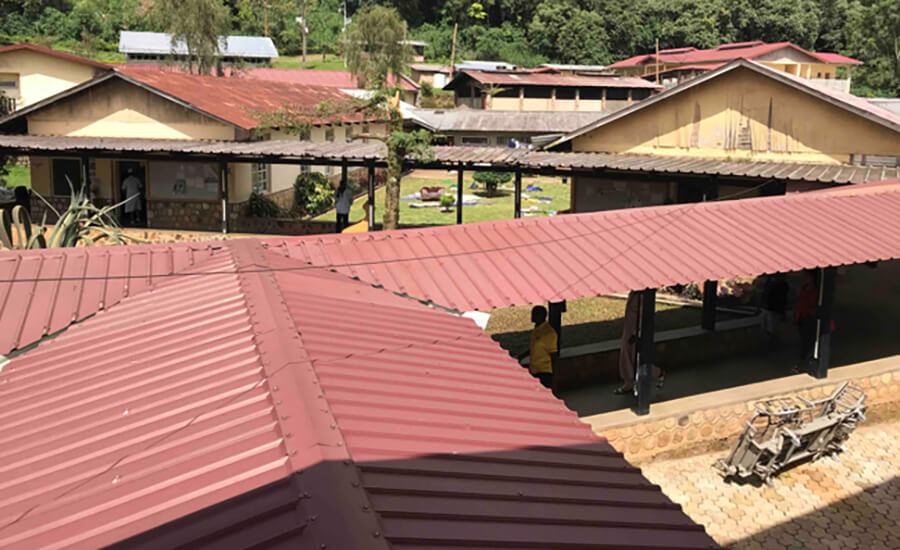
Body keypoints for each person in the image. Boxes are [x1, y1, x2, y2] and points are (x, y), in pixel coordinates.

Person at [615, 291, 665, 395]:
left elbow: (643, 315)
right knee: (627, 354)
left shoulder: (642, 296)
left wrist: (635, 333)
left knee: (636, 357)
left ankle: (657, 373)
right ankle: (629, 382)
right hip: (629, 328)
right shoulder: (634, 294)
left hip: (634, 331)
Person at [519, 306, 558, 392]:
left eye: (535, 314)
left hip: (544, 371)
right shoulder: (537, 329)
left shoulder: (549, 333)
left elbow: (554, 356)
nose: (532, 316)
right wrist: (522, 356)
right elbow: (535, 347)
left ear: (542, 316)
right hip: (534, 369)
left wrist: (554, 378)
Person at [793, 270, 818, 373]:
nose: (803, 277)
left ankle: (804, 364)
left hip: (810, 319)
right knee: (804, 341)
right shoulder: (804, 287)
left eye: (806, 276)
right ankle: (803, 362)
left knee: (808, 343)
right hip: (802, 317)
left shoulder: (816, 290)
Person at [760, 273, 789, 347]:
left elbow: (782, 299)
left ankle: (771, 346)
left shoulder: (781, 285)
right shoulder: (770, 282)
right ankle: (769, 345)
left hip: (773, 310)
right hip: (767, 308)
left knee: (771, 330)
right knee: (767, 329)